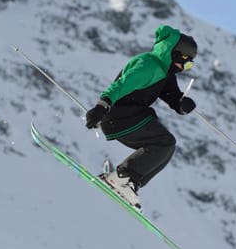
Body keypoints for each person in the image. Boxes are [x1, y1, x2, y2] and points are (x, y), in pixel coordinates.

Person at [85, 25, 198, 211]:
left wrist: (181, 104)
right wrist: (101, 106)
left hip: (132, 116)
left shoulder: (165, 72)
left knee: (167, 146)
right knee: (163, 143)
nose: (185, 69)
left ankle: (129, 182)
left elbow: (171, 95)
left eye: (190, 66)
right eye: (187, 63)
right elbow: (121, 85)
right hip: (119, 117)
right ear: (176, 54)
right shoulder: (149, 65)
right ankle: (122, 177)